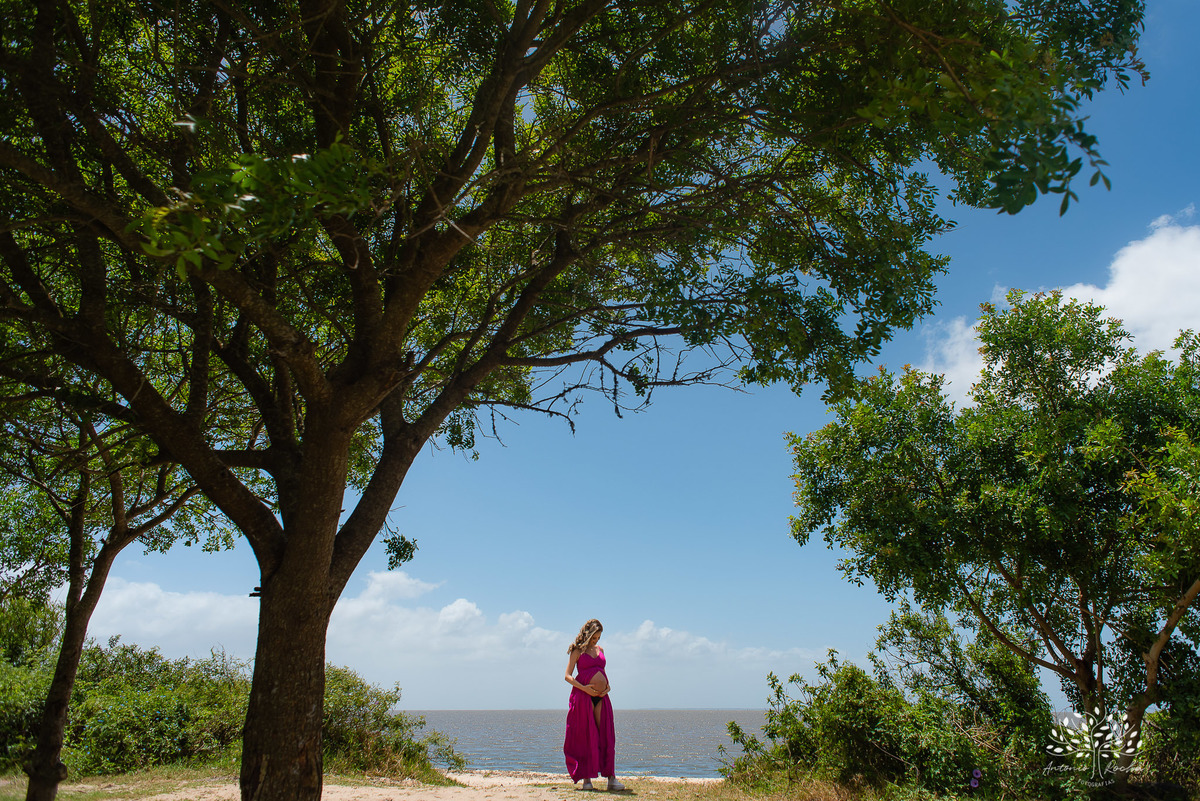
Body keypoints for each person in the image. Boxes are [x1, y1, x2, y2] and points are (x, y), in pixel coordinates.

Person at [563, 619, 624, 791]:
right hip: (583, 696)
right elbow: (567, 676)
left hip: (602, 697)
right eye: (594, 638)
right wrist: (585, 689)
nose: (596, 641)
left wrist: (607, 686)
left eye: (598, 638)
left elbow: (601, 671)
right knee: (586, 736)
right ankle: (587, 780)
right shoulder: (577, 650)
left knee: (606, 735)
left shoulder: (601, 649)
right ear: (588, 634)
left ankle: (611, 778)